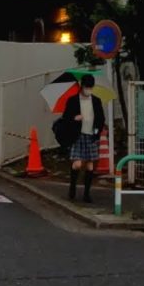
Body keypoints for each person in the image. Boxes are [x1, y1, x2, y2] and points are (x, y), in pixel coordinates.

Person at [61, 74, 106, 203]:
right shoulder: (73, 100)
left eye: (91, 88)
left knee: (90, 165)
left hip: (91, 135)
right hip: (78, 135)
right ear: (82, 87)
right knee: (77, 164)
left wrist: (96, 131)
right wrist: (74, 118)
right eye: (87, 87)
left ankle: (87, 193)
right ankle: (72, 188)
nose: (89, 90)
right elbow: (65, 117)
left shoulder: (96, 101)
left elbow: (101, 118)